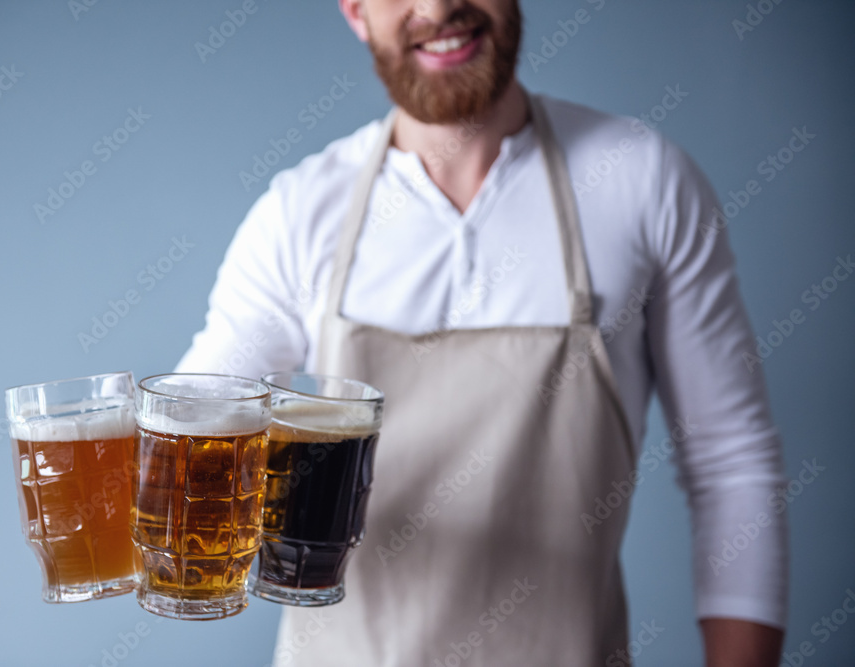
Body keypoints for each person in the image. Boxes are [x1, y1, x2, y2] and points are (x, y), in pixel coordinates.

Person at [176, 1, 788, 664]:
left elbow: (732, 465)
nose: (438, 8)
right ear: (355, 10)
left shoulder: (644, 181)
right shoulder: (299, 213)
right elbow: (193, 431)